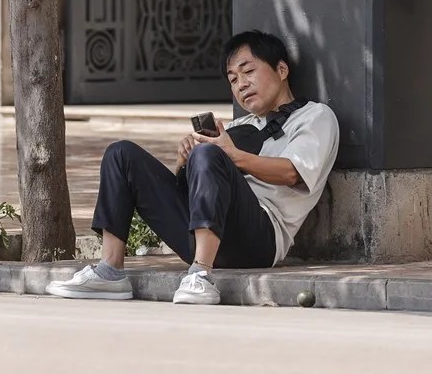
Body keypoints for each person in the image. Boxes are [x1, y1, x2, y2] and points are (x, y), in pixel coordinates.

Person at [46, 30, 339, 305]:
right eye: (233, 79)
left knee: (210, 153)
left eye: (248, 71)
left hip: (258, 241)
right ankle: (110, 270)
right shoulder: (238, 126)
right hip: (204, 230)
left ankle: (200, 274)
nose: (241, 84)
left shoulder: (314, 116)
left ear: (281, 70)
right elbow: (198, 190)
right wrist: (184, 161)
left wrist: (227, 154)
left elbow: (292, 173)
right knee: (120, 154)